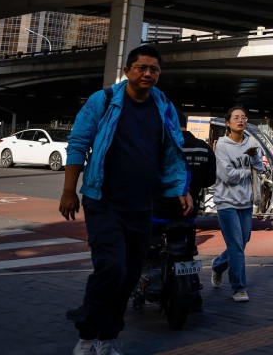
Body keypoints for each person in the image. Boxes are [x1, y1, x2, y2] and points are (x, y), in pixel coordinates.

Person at [59, 45, 191, 355]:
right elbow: (78, 144)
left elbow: (172, 152)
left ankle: (108, 336)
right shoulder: (103, 101)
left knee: (130, 275)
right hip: (103, 201)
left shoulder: (164, 106)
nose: (148, 73)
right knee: (111, 269)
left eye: (154, 69)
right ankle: (88, 336)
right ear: (128, 70)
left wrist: (180, 189)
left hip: (142, 205)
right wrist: (68, 190)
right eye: (142, 67)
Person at [210, 107, 265, 303]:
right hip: (226, 202)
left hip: (246, 201)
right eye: (236, 117)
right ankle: (239, 288)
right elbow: (227, 176)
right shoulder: (222, 145)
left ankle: (217, 265)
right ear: (227, 123)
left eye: (243, 117)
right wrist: (248, 172)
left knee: (242, 243)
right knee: (236, 245)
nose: (240, 120)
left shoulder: (251, 142)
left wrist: (255, 158)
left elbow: (260, 167)